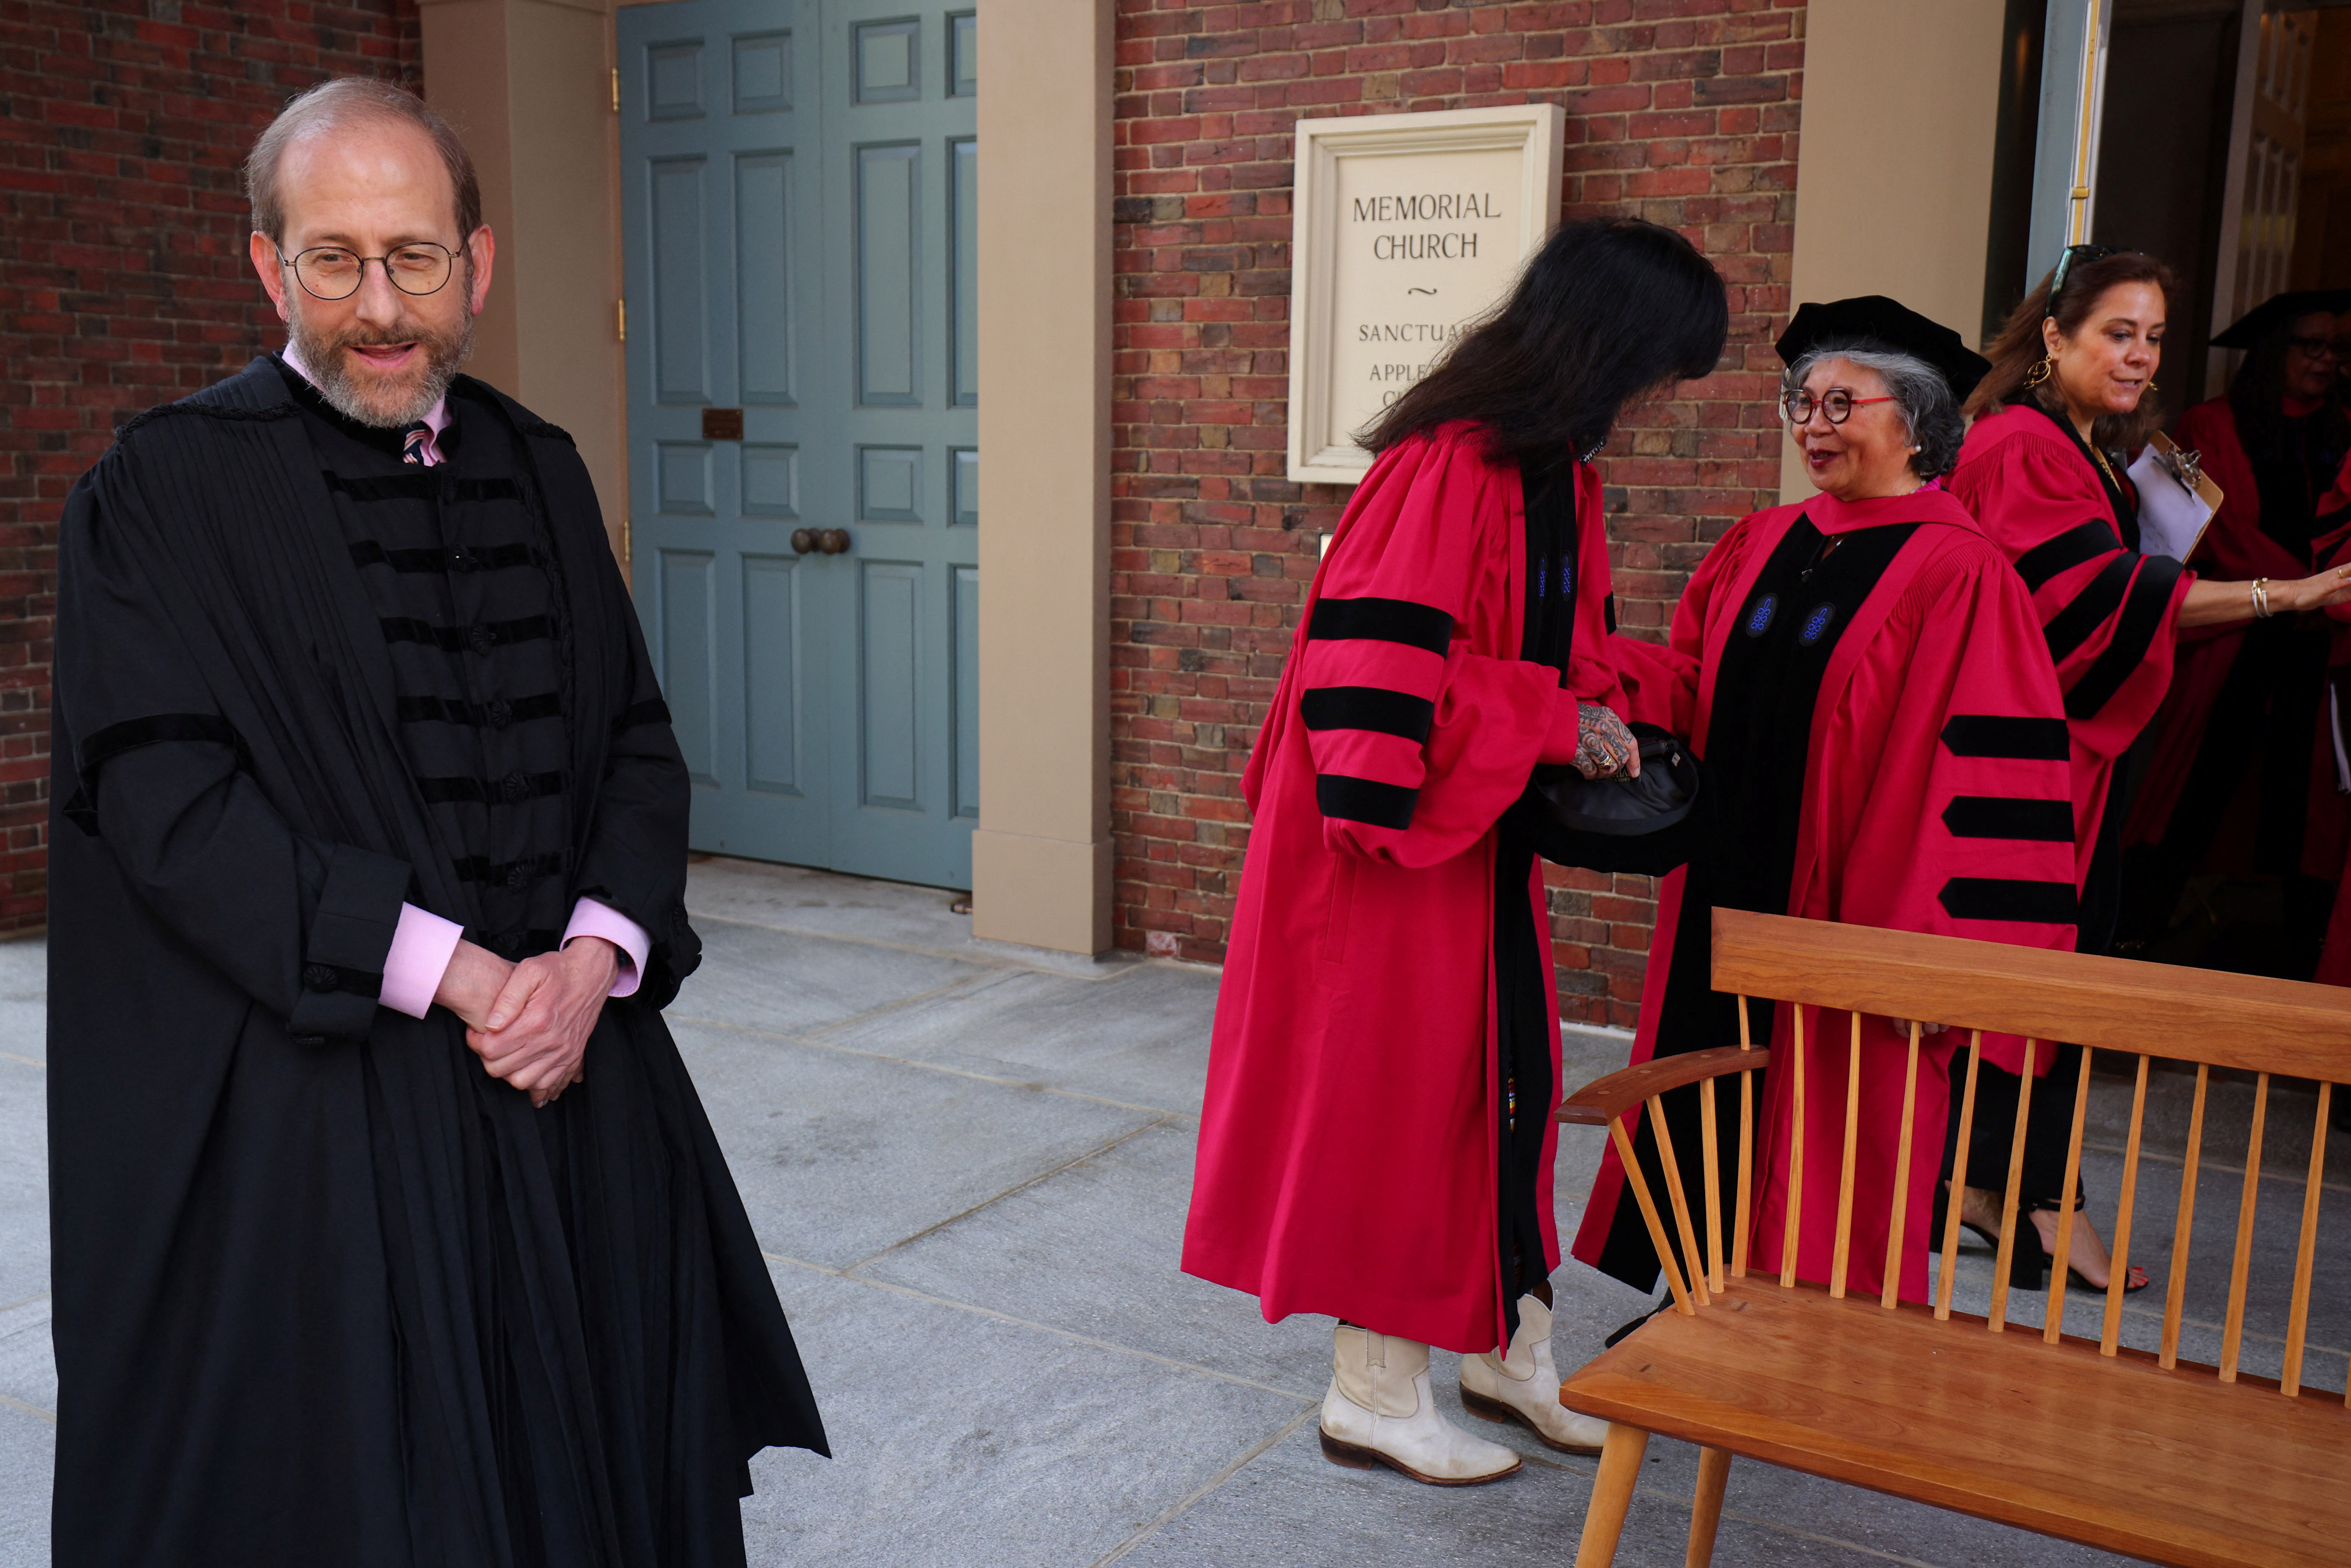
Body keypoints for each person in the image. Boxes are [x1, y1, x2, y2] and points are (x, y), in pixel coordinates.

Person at [48, 79, 825, 1566]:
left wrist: (594, 959)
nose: (378, 304)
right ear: (270, 269)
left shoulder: (538, 464)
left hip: (575, 1085)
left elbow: (631, 744)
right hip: (332, 1119)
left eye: (413, 256)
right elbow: (168, 805)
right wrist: (469, 976)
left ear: (478, 265)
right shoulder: (163, 490)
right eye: (332, 258)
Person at [1181, 218, 1728, 1486]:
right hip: (1378, 856)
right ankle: (1370, 1390)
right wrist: (1557, 720)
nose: (1651, 402)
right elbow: (1371, 683)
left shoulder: (1554, 474)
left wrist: (1669, 697)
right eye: (1655, 370)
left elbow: (1564, 661)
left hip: (1466, 842)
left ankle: (1505, 1347)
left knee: (1510, 1087)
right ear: (1607, 346)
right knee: (1402, 1109)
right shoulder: (1447, 466)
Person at [1570, 296, 2080, 1307]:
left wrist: (1916, 963)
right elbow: (1694, 684)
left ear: (1917, 418)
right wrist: (1588, 669)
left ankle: (1791, 1331)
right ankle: (1693, 1302)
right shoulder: (1756, 541)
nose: (1812, 420)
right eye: (1798, 399)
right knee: (1704, 1095)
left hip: (1855, 916)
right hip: (1723, 890)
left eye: (1841, 400)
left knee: (1826, 1139)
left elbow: (1983, 776)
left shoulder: (1962, 573)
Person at [1946, 250, 2351, 1292]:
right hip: (2029, 763)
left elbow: (2158, 561)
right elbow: (2088, 606)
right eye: (2115, 332)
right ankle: (2021, 1196)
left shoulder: (2107, 446)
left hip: (2078, 760)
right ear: (2051, 336)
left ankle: (2016, 1191)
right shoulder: (2016, 448)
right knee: (2035, 980)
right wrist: (2287, 596)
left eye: (2152, 336)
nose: (2137, 354)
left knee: (2062, 975)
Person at [2123, 290, 2351, 979]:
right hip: (2237, 630)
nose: (2324, 359)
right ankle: (2132, 935)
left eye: (2334, 348)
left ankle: (2300, 960)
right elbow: (2199, 531)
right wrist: (2300, 586)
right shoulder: (2212, 424)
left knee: (2304, 802)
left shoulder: (2344, 426)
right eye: (2308, 345)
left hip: (2319, 642)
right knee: (2194, 781)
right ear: (2273, 352)